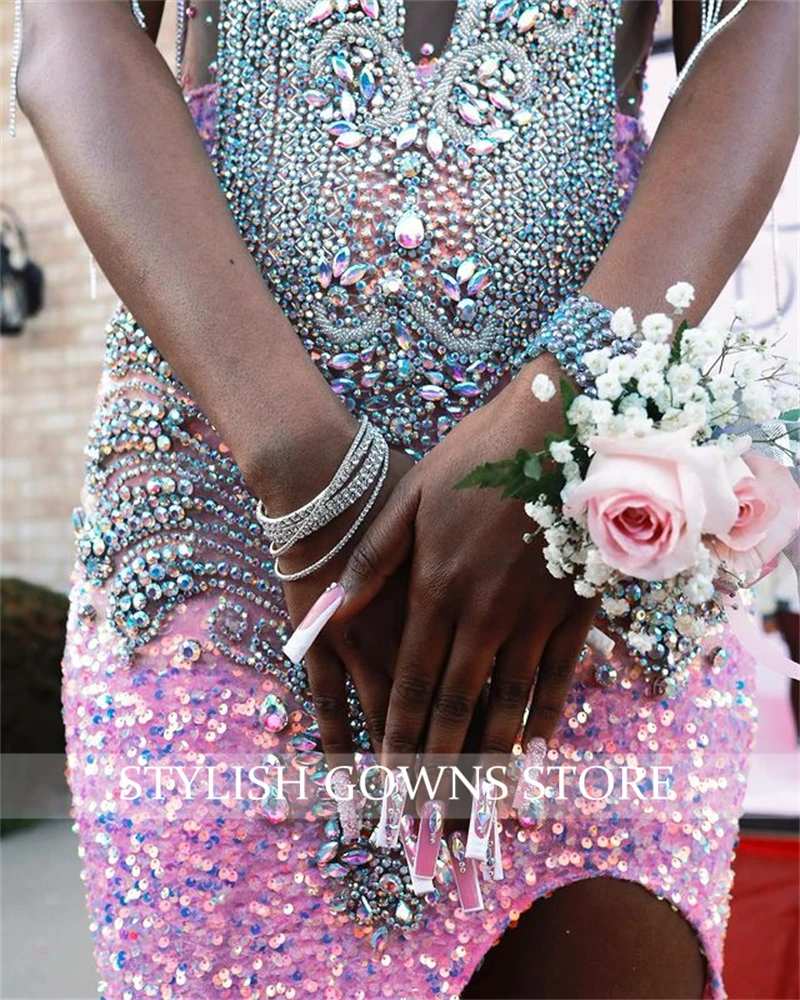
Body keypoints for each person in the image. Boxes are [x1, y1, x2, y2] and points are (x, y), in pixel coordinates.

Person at [14, 0, 798, 997]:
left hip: (594, 517)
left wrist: (564, 394)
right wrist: (295, 457)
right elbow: (63, 34)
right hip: (213, 534)